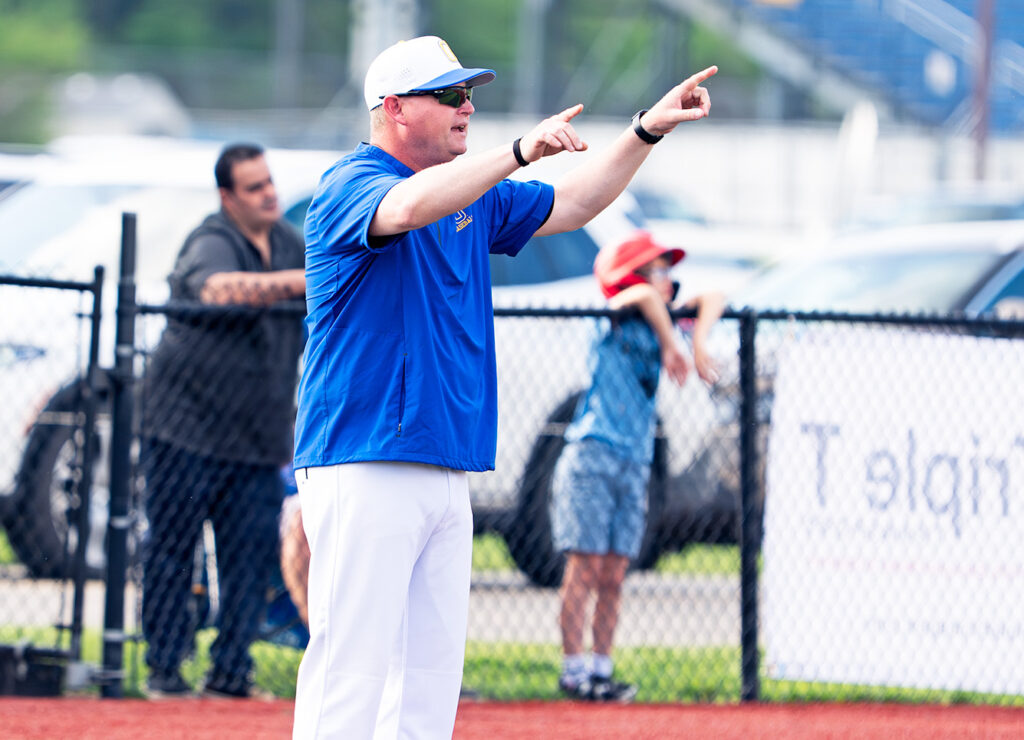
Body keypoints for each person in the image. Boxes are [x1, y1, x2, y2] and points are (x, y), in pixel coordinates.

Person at [291, 34, 716, 738]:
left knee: (428, 681)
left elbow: (576, 202)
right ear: (395, 110)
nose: (467, 108)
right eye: (450, 95)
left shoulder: (473, 199)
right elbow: (404, 208)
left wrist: (646, 130)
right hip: (362, 457)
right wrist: (518, 152)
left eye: (470, 94)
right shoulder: (352, 183)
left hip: (446, 460)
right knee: (352, 670)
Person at [139, 143, 306, 699]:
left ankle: (231, 673)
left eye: (270, 182)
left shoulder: (287, 240)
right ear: (228, 196)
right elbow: (215, 289)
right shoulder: (212, 238)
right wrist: (302, 281)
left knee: (249, 557)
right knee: (171, 551)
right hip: (185, 429)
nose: (269, 194)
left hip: (257, 437)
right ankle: (165, 669)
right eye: (254, 187)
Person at [551, 231, 724, 703]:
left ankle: (601, 669)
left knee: (614, 571)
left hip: (634, 461)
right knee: (583, 566)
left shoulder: (659, 317)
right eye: (659, 269)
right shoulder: (618, 314)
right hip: (593, 454)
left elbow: (715, 296)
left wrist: (699, 344)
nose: (668, 280)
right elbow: (645, 296)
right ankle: (573, 670)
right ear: (632, 275)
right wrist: (672, 343)